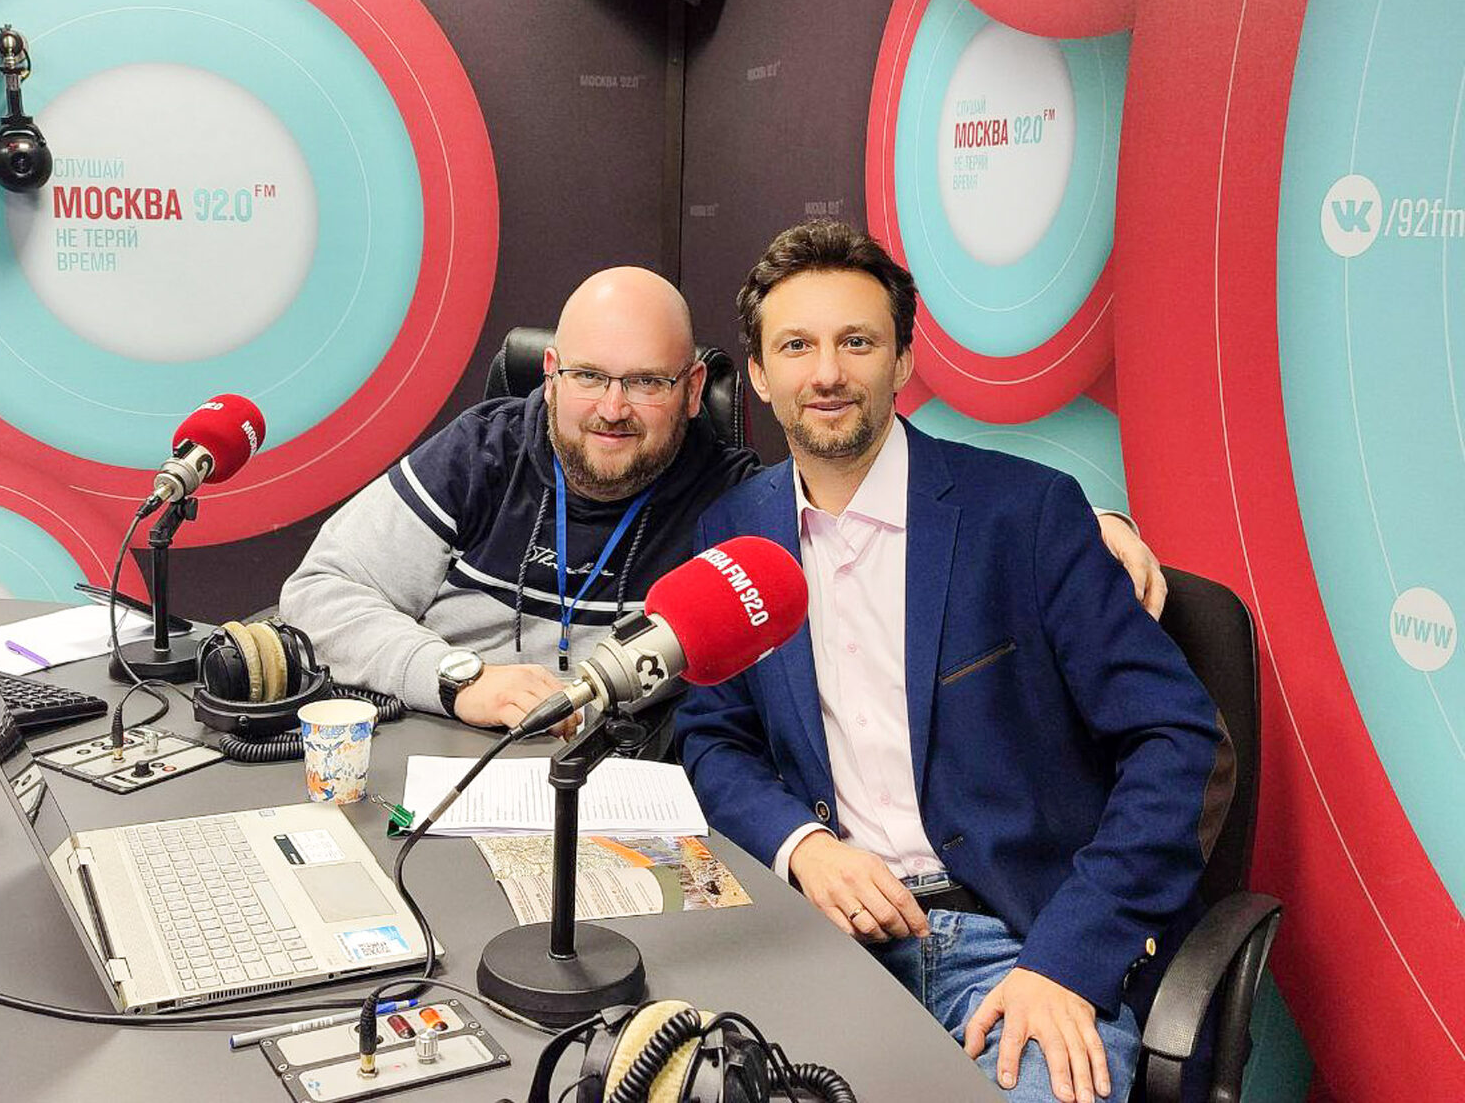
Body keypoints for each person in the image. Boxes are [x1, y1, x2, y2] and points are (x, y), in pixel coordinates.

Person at [674, 221, 1234, 1103]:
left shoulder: (1027, 515)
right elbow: (714, 737)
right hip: (820, 935)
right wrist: (803, 847)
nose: (827, 373)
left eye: (857, 342)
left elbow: (1178, 742)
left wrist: (1067, 959)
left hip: (1019, 945)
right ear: (759, 375)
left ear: (902, 360)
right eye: (797, 346)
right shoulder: (734, 532)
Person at [282, 266, 1166, 734]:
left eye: (648, 382)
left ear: (696, 386)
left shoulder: (735, 503)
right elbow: (320, 593)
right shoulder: (483, 451)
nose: (613, 408)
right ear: (549, 373)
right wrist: (460, 680)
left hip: (605, 791)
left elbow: (860, 523)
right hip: (438, 744)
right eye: (588, 376)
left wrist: (1084, 526)